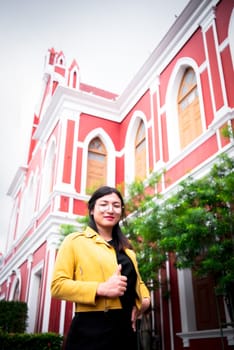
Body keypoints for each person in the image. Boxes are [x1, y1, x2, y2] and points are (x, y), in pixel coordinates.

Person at [51, 185, 151, 350]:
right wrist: (101, 288)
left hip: (126, 331)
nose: (110, 209)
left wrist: (143, 304)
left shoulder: (128, 250)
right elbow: (57, 286)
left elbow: (139, 285)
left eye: (116, 205)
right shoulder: (74, 241)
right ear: (91, 209)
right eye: (103, 204)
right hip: (91, 330)